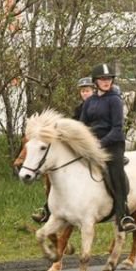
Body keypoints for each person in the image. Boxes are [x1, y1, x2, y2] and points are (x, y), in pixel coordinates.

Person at [30, 76, 96, 223]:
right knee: (53, 172)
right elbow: (74, 124)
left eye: (87, 91)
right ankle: (47, 209)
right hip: (79, 145)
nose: (85, 93)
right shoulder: (80, 108)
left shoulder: (98, 106)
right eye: (83, 91)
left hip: (93, 146)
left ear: (93, 91)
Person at [80, 63, 136, 232]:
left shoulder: (115, 100)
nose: (106, 82)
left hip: (113, 143)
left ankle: (124, 215)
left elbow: (117, 128)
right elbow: (83, 125)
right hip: (92, 144)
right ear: (95, 81)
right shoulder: (89, 101)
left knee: (116, 174)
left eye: (109, 79)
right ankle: (49, 207)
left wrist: (99, 143)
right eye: (102, 79)